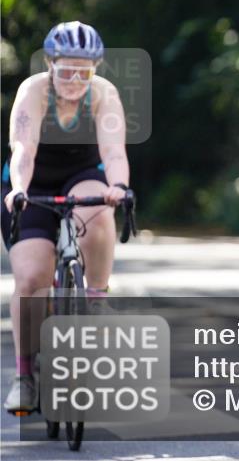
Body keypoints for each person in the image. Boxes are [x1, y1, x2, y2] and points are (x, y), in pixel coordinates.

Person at [2, 22, 130, 413]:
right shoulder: (33, 92)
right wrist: (20, 189)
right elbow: (23, 148)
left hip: (82, 174)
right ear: (50, 64)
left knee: (97, 205)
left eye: (84, 70)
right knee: (30, 278)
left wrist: (119, 186)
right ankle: (25, 376)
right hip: (32, 181)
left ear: (96, 69)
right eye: (66, 69)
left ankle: (97, 295)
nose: (75, 79)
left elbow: (113, 152)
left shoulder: (104, 94)